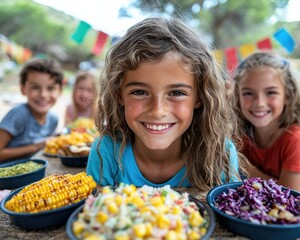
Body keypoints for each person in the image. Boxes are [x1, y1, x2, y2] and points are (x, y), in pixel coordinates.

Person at [87, 17, 246, 191]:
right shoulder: (106, 153)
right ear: (119, 95)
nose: (157, 111)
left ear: (200, 97)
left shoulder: (219, 154)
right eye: (140, 92)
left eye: (177, 93)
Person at [233, 51, 300, 191]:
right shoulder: (241, 136)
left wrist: (242, 164)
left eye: (271, 92)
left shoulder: (295, 141)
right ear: (237, 96)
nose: (259, 103)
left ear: (287, 95)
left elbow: (290, 198)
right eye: (248, 93)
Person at [0, 58, 63, 162]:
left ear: (60, 91)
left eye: (51, 88)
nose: (43, 95)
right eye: (35, 87)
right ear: (23, 88)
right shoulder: (18, 115)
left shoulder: (53, 120)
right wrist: (35, 146)